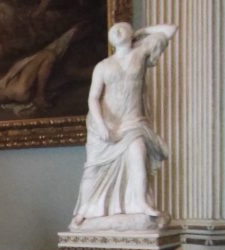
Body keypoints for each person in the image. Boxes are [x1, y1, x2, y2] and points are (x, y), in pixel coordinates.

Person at [70, 23, 177, 229]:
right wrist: (101, 125)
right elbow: (93, 98)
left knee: (138, 155)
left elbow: (171, 29)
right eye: (114, 29)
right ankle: (84, 209)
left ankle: (141, 203)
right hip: (106, 124)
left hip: (132, 122)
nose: (117, 29)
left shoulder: (140, 53)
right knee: (93, 168)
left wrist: (142, 33)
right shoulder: (103, 66)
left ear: (131, 34)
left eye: (123, 27)